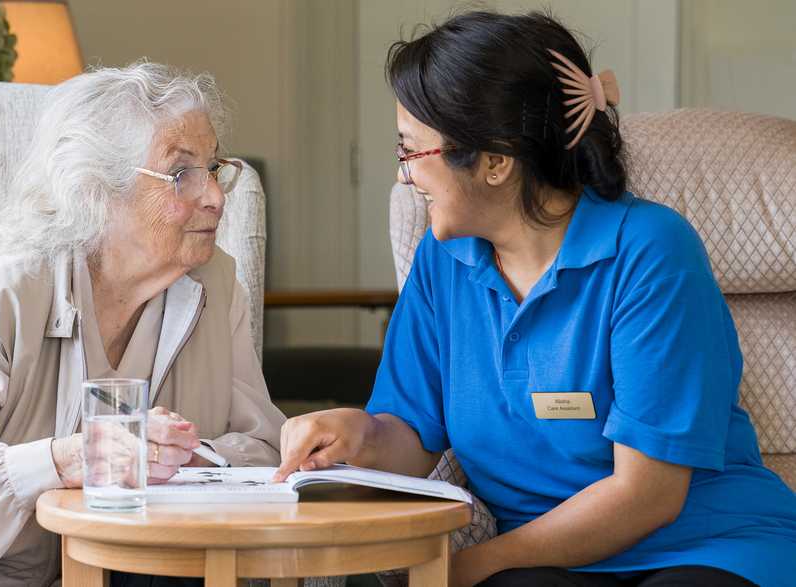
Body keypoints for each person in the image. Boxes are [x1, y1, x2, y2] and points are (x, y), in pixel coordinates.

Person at [276, 11, 796, 587]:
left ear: (496, 162)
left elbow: (647, 496)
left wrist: (475, 564)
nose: (403, 177)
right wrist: (360, 436)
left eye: (411, 152)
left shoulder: (651, 251)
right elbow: (414, 436)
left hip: (706, 547)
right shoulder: (442, 259)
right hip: (547, 558)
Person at [0, 62, 285, 587]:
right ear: (98, 191)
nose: (216, 197)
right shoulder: (7, 299)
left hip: (89, 568)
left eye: (215, 168)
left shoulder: (215, 290)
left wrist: (182, 456)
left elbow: (265, 449)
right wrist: (66, 460)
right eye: (182, 175)